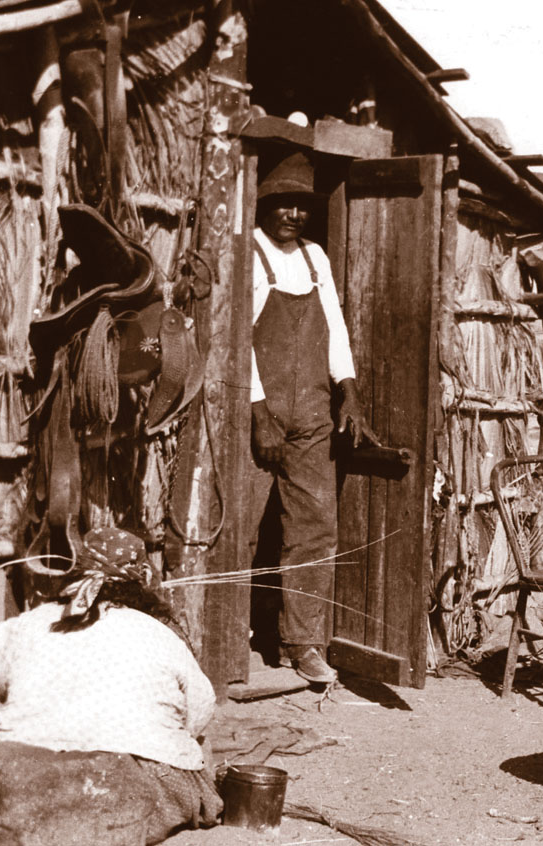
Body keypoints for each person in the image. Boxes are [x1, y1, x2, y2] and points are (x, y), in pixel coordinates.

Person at [0, 528, 222, 845]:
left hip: (26, 770)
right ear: (138, 581)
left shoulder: (31, 622)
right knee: (192, 759)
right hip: (124, 777)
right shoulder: (157, 633)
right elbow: (200, 708)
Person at [247, 149, 376, 685]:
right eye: (282, 204)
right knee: (242, 530)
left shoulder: (315, 258)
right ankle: (227, 645)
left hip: (314, 415)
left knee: (315, 529)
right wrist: (257, 413)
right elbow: (237, 344)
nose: (293, 215)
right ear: (264, 206)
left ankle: (303, 644)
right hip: (256, 412)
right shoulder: (247, 254)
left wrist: (349, 391)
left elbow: (336, 329)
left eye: (302, 206)